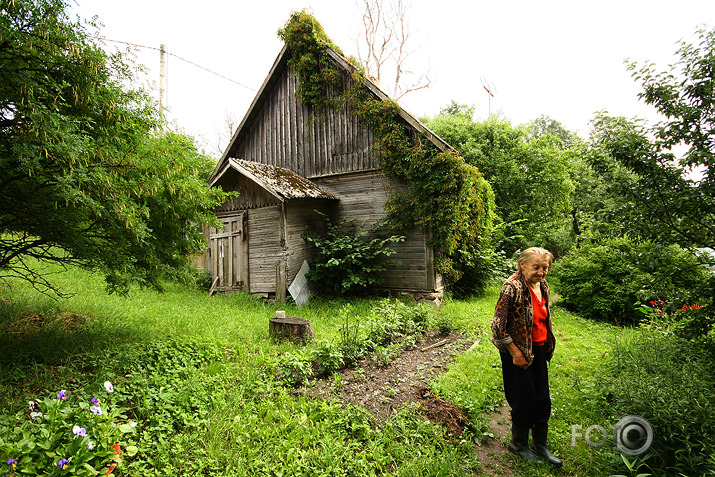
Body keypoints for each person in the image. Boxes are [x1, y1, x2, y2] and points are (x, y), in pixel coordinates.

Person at [491, 247, 562, 467]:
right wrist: (515, 353)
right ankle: (518, 445)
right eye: (536, 267)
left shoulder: (543, 285)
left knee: (542, 398)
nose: (541, 272)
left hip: (539, 349)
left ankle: (540, 445)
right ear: (522, 265)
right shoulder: (512, 288)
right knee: (524, 398)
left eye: (545, 267)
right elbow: (497, 327)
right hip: (518, 351)